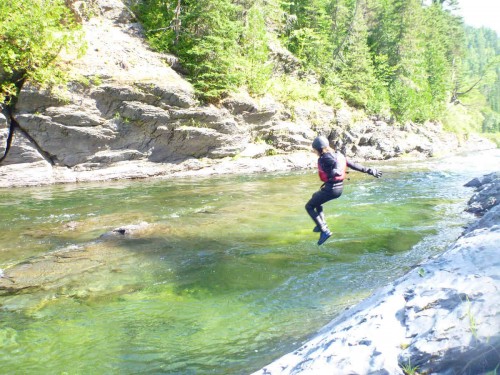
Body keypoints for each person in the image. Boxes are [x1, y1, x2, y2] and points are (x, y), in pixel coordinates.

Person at [306, 135, 382, 245]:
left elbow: (335, 164)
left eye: (315, 150)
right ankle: (321, 224)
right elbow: (353, 165)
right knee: (315, 198)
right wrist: (370, 170)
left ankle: (324, 230)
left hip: (331, 189)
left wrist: (336, 169)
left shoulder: (326, 157)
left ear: (319, 149)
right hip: (338, 188)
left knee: (308, 206)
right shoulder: (338, 155)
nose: (315, 152)